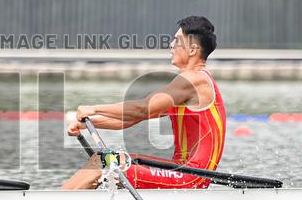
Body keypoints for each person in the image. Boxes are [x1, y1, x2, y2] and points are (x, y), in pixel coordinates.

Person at [61, 16, 225, 190]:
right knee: (105, 159)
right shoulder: (190, 84)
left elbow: (142, 108)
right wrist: (89, 124)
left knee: (104, 161)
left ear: (192, 50)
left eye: (177, 41)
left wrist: (94, 109)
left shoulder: (194, 79)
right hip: (181, 170)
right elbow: (131, 119)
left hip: (192, 176)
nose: (171, 45)